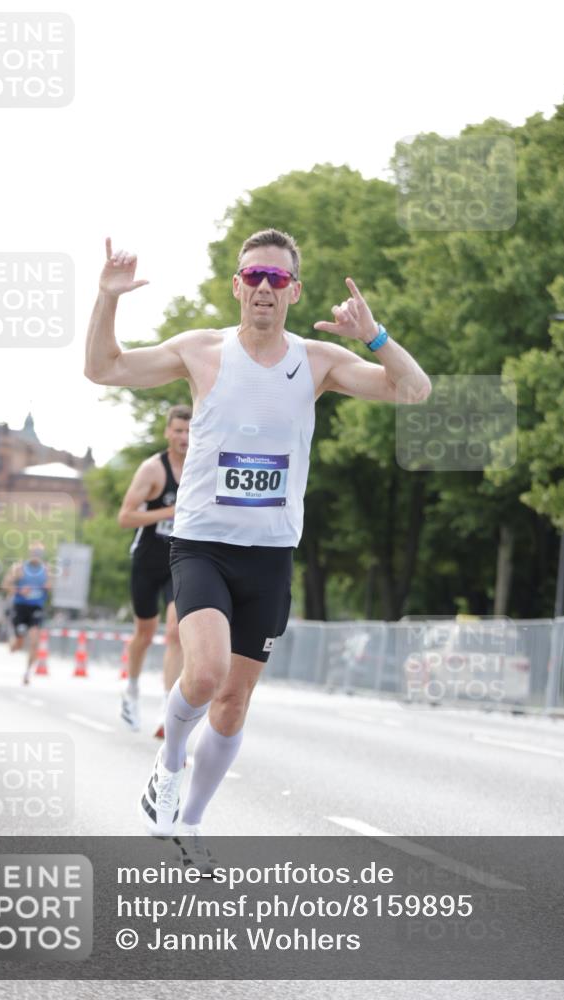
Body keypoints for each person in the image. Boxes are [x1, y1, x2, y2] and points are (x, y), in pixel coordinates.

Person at [85, 229, 431, 855]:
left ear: (294, 290)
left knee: (234, 703)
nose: (264, 289)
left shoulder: (318, 361)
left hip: (270, 556)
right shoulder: (203, 351)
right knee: (208, 671)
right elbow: (102, 368)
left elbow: (414, 390)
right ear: (237, 285)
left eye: (276, 279)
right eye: (253, 277)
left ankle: (190, 822)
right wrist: (108, 297)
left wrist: (375, 337)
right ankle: (166, 772)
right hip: (202, 545)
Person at [117, 405, 190, 735]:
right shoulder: (153, 470)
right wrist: (170, 512)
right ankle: (131, 689)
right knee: (144, 634)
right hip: (147, 559)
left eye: (189, 431)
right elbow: (125, 517)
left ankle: (167, 710)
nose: (184, 437)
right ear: (167, 433)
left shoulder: (202, 467)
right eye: (178, 430)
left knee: (176, 630)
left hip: (183, 559)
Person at [1, 542, 51, 685]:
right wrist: (19, 590)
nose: (37, 556)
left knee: (35, 641)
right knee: (18, 644)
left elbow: (52, 585)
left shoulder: (47, 569)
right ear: (30, 554)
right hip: (21, 607)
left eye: (40, 553)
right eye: (35, 553)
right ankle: (13, 644)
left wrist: (49, 586)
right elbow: (5, 585)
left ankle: (27, 673)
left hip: (37, 608)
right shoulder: (19, 568)